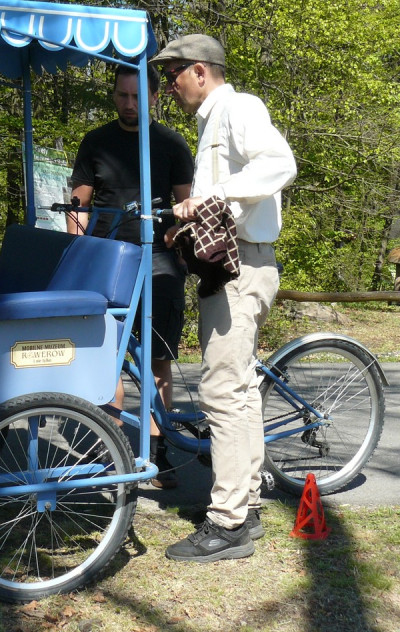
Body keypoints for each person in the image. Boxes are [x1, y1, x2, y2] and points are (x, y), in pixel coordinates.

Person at [150, 34, 297, 562]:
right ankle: (247, 506)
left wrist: (212, 194)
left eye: (173, 75)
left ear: (200, 71)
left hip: (243, 266)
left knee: (222, 392)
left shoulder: (239, 107)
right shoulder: (210, 121)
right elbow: (225, 207)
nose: (169, 85)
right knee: (239, 391)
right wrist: (184, 227)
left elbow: (280, 164)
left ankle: (228, 523)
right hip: (230, 264)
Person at [67, 63, 194, 488]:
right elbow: (78, 206)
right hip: (106, 262)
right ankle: (112, 449)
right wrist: (78, 255)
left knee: (157, 360)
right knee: (106, 356)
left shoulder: (171, 144)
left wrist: (182, 248)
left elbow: (187, 208)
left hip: (159, 262)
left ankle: (158, 452)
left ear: (154, 97)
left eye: (137, 96)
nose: (129, 104)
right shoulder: (95, 142)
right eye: (122, 95)